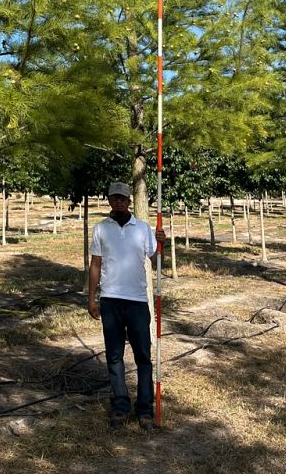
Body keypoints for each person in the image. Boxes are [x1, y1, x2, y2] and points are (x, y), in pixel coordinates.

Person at [87, 181, 165, 431]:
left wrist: (161, 243)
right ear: (109, 200)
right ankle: (120, 406)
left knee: (143, 356)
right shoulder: (100, 229)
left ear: (129, 201)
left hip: (138, 301)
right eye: (114, 198)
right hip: (110, 299)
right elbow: (96, 265)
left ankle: (144, 409)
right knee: (114, 356)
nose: (118, 202)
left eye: (122, 198)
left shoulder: (143, 229)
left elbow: (156, 262)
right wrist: (91, 297)